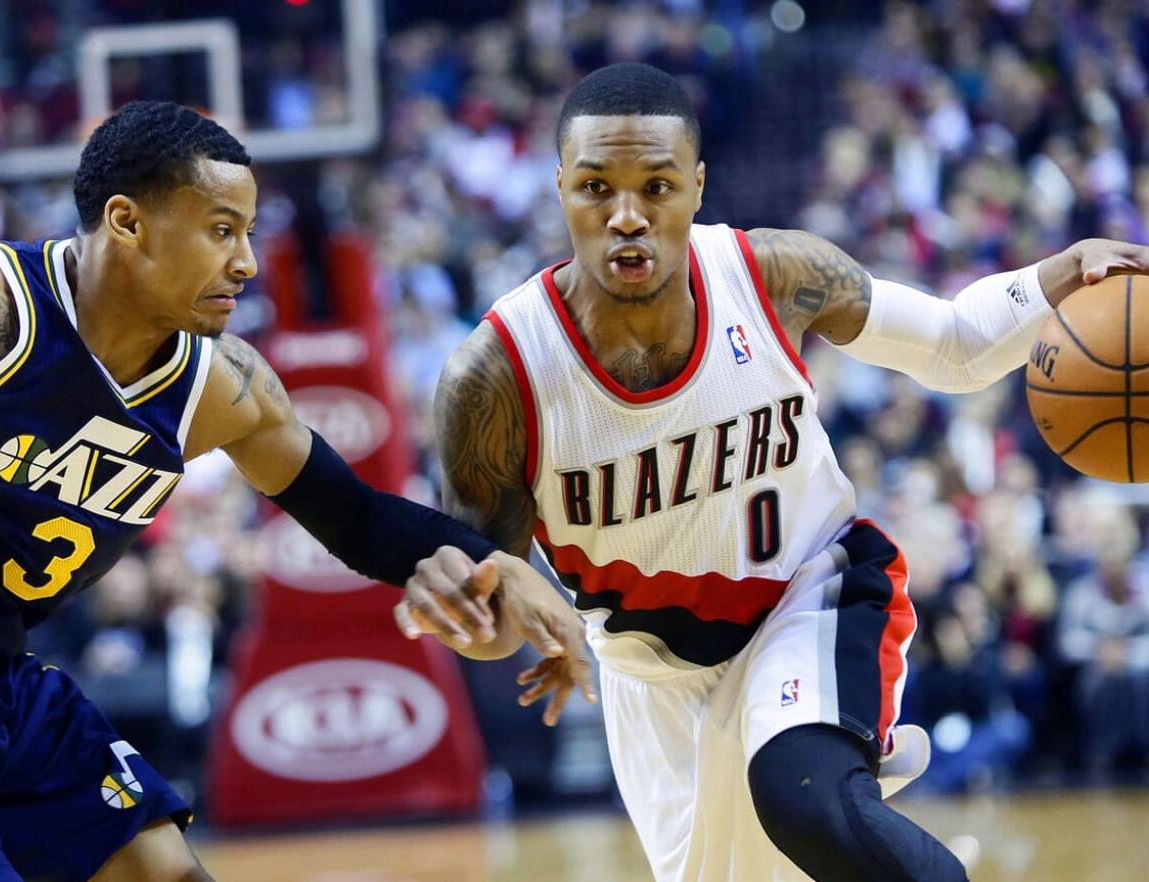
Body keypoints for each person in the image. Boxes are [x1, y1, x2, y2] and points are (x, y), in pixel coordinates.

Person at [394, 63, 1149, 882]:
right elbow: (497, 602)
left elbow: (954, 347)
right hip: (651, 677)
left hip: (808, 594)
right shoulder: (495, 378)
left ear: (697, 185)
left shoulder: (775, 276)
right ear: (559, 188)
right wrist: (478, 620)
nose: (626, 217)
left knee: (803, 796)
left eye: (657, 186)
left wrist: (1056, 275)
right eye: (595, 188)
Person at [0, 101, 590, 882]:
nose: (245, 260)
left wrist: (494, 563)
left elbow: (357, 517)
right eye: (220, 229)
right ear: (127, 222)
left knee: (163, 870)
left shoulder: (221, 388)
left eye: (248, 230)